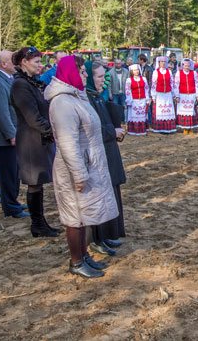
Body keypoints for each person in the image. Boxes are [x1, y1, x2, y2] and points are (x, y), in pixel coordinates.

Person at [45, 55, 119, 278]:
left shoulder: (77, 97)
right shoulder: (62, 103)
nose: (86, 75)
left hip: (88, 164)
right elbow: (68, 144)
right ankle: (76, 261)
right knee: (74, 216)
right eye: (82, 71)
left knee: (84, 213)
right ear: (69, 73)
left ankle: (84, 254)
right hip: (74, 168)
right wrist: (79, 174)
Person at [10, 47, 59, 238]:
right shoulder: (20, 85)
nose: (40, 66)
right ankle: (37, 224)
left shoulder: (31, 83)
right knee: (34, 182)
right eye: (36, 62)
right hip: (31, 141)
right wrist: (52, 131)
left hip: (38, 139)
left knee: (38, 183)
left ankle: (40, 222)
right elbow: (32, 117)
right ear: (23, 62)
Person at [85, 60, 127, 255]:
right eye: (100, 77)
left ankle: (109, 234)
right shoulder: (86, 98)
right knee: (100, 196)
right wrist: (113, 131)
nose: (104, 79)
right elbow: (90, 131)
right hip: (97, 155)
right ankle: (97, 239)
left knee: (111, 192)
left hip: (108, 150)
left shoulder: (96, 95)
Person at [0, 50, 28, 219]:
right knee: (8, 173)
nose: (16, 64)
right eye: (13, 61)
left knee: (14, 172)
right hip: (3, 138)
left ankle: (13, 202)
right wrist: (11, 135)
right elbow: (0, 113)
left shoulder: (7, 79)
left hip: (12, 135)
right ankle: (10, 207)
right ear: (4, 64)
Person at [150, 56, 177, 133]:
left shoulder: (169, 72)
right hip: (159, 94)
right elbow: (153, 84)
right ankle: (160, 128)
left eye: (164, 62)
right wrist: (153, 96)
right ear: (159, 63)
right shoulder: (156, 72)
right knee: (160, 111)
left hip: (167, 94)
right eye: (161, 62)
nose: (163, 63)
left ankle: (168, 128)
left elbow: (172, 83)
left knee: (167, 111)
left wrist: (173, 94)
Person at [174, 58, 198, 134]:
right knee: (184, 112)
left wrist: (197, 94)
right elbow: (176, 85)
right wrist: (177, 96)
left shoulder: (194, 73)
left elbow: (197, 84)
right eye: (185, 66)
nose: (187, 67)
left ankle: (191, 128)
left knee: (191, 112)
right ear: (183, 66)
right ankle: (185, 128)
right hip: (182, 95)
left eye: (188, 66)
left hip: (191, 95)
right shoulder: (179, 73)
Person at [124, 64, 150, 135]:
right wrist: (129, 100)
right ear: (132, 71)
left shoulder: (143, 79)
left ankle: (142, 130)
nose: (136, 71)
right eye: (135, 70)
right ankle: (134, 130)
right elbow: (128, 90)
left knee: (142, 115)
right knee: (134, 115)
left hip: (142, 100)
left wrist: (147, 99)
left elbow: (146, 89)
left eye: (137, 70)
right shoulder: (129, 80)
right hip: (134, 100)